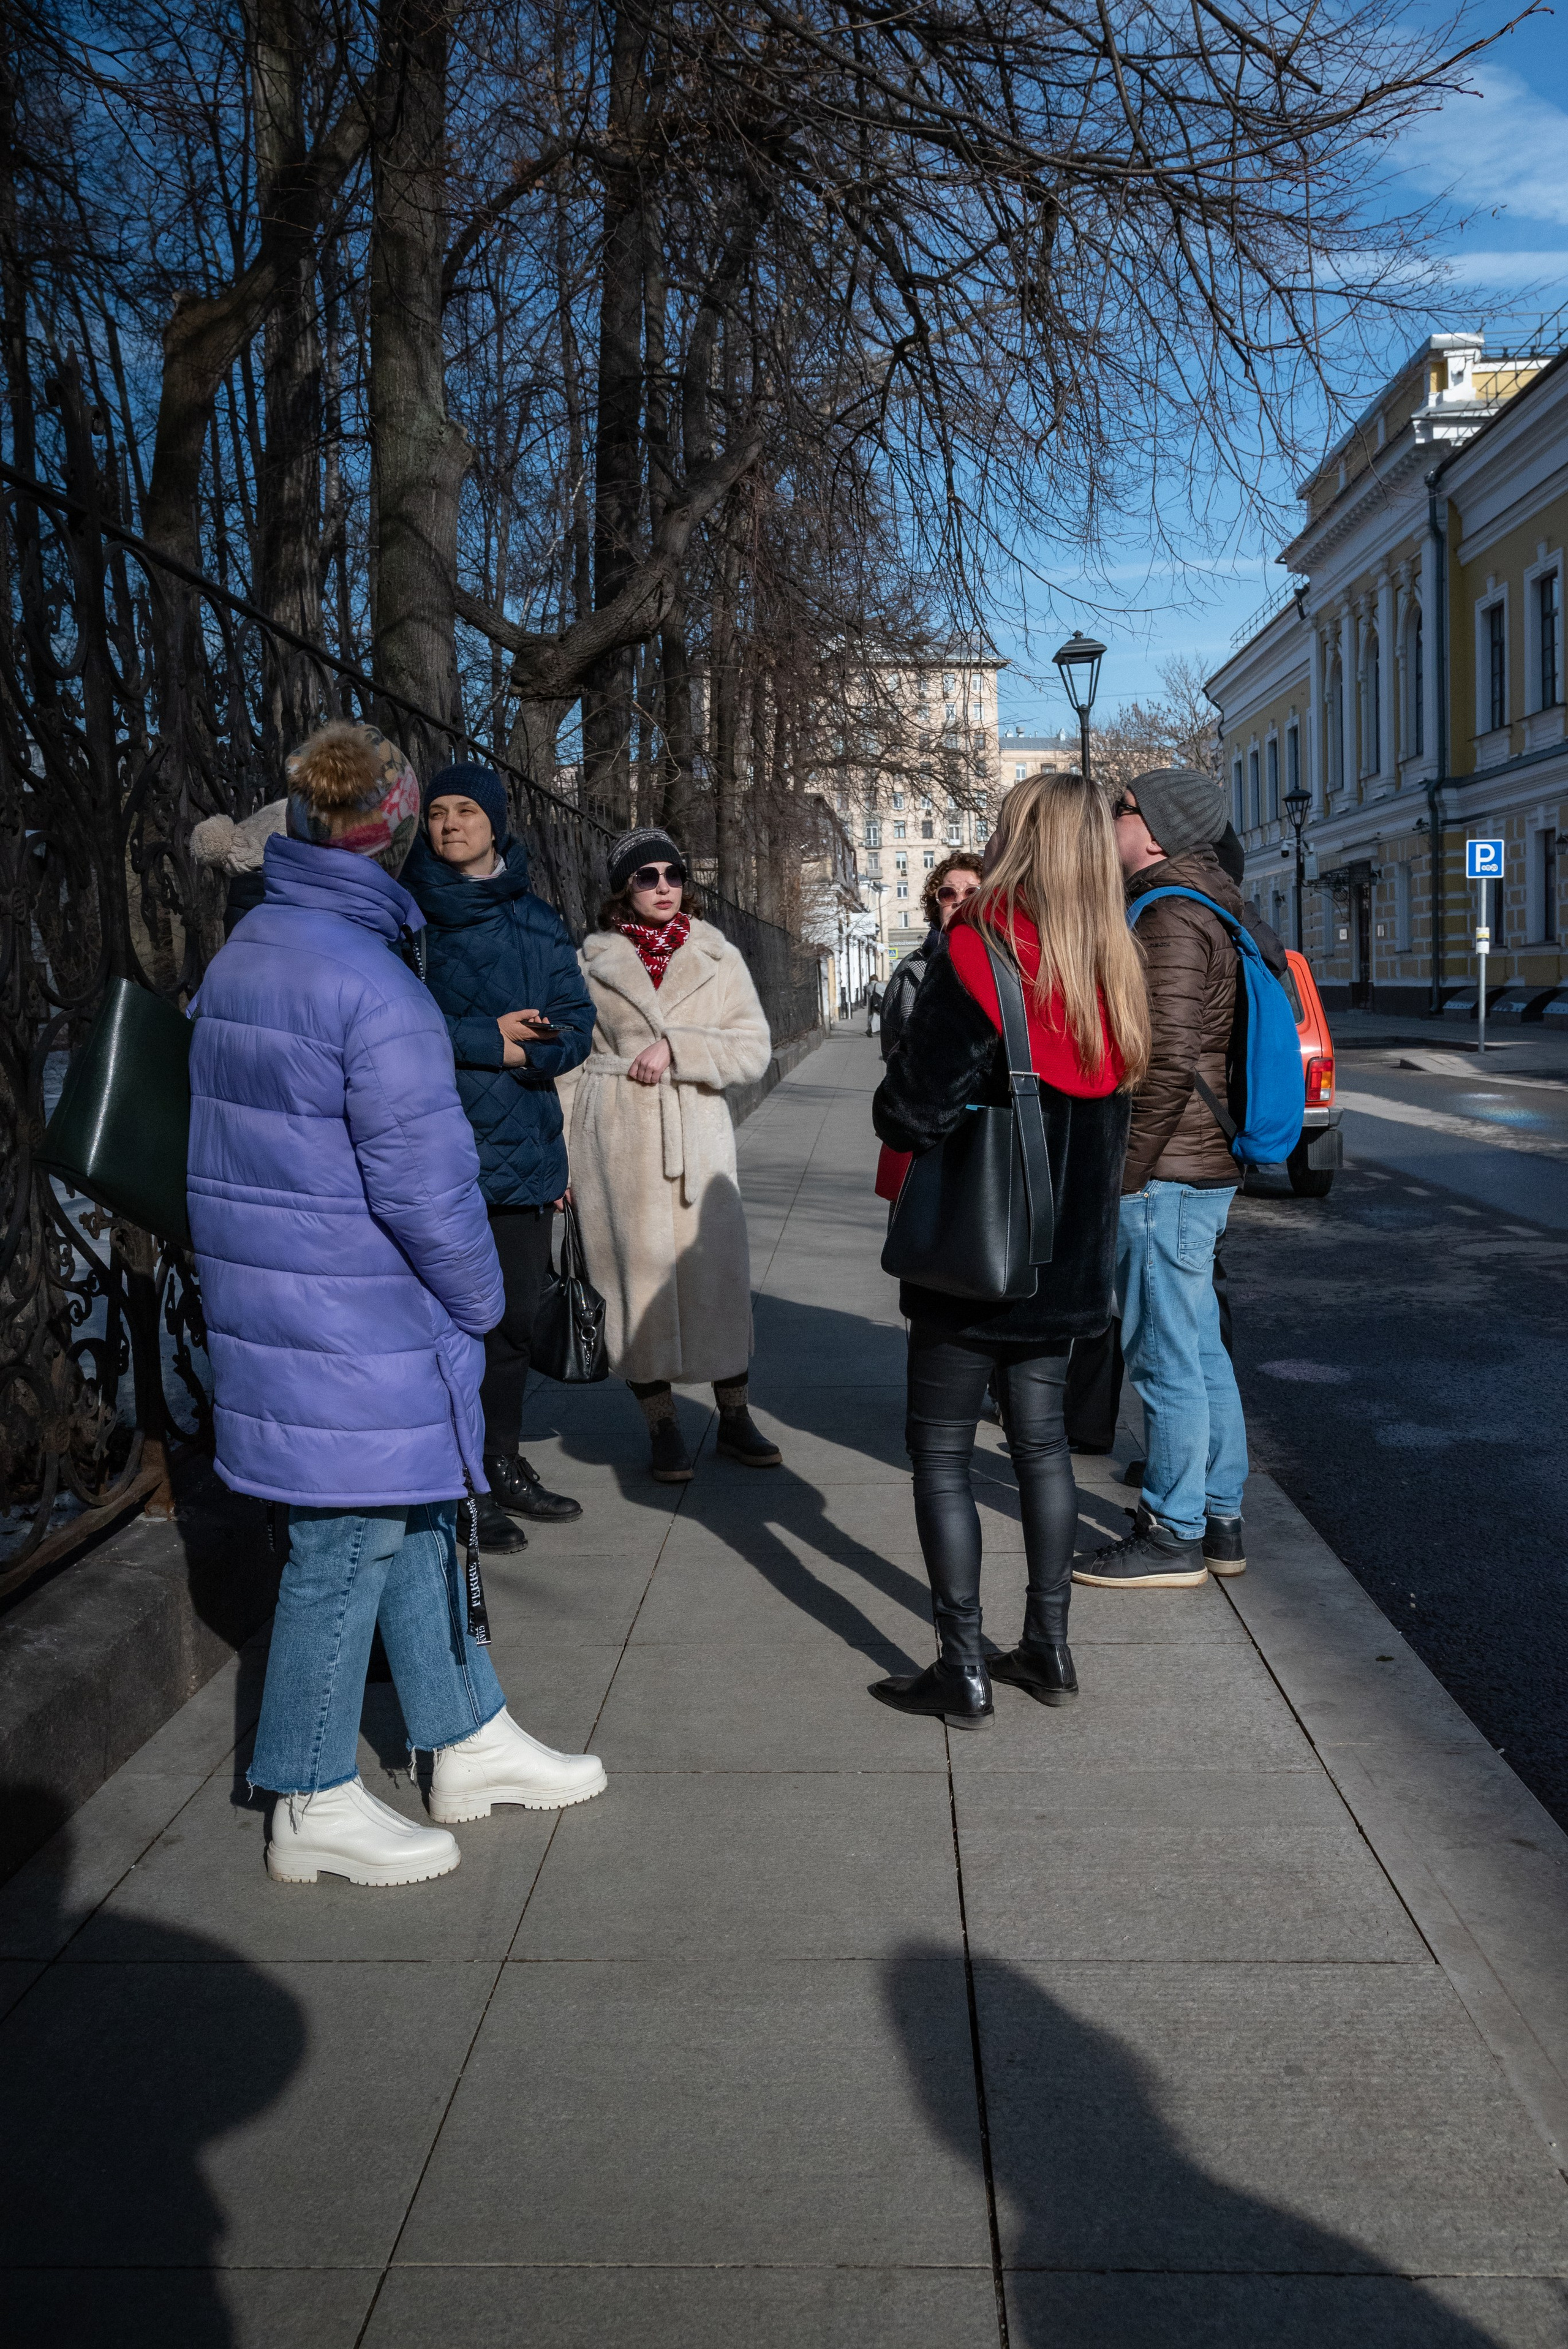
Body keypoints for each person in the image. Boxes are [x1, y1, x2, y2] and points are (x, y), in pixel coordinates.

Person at [187, 720, 606, 1890]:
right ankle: (310, 1793)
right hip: (354, 1309)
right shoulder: (371, 981)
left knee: (420, 1514)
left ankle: (465, 1737)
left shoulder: (257, 947)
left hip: (291, 1295)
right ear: (395, 826)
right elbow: (427, 1188)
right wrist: (481, 1304)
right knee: (346, 1543)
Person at [870, 772, 1149, 1728]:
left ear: (1018, 838)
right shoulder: (1115, 962)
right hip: (1068, 1258)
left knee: (942, 1451)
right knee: (1043, 1448)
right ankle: (1050, 1645)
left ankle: (962, 1664)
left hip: (975, 1251)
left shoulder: (982, 949)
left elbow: (911, 1108)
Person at [402, 763, 595, 1553]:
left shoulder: (537, 919)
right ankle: (457, 1487)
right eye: (439, 812)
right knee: (445, 1328)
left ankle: (501, 1461)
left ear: (496, 823)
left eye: (466, 812)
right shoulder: (402, 916)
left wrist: (534, 1054)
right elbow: (387, 1025)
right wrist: (493, 1039)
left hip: (519, 1145)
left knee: (513, 1321)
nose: (451, 824)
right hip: (429, 1147)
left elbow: (576, 1023)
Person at [1076, 767, 1250, 1593]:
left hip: (1167, 1171)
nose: (1110, 820)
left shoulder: (1170, 915)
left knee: (1166, 1355)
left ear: (1155, 827)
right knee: (1200, 1345)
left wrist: (1126, 1173)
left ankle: (1173, 1530)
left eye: (1120, 808)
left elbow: (1167, 1061)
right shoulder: (1202, 902)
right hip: (1193, 1166)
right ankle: (1218, 1517)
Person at [559, 826, 778, 1484]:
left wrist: (679, 1048)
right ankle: (660, 1426)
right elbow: (568, 1063)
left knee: (717, 1280)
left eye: (673, 875)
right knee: (632, 1284)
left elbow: (753, 1049)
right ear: (624, 887)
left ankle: (734, 1416)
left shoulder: (719, 955)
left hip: (696, 1142)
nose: (663, 887)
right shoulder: (592, 960)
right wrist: (562, 1158)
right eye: (647, 876)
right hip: (614, 1141)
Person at [875, 851, 986, 1208]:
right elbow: (901, 1057)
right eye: (948, 894)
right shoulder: (915, 971)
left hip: (989, 1139)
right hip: (929, 1139)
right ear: (935, 904)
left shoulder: (1009, 964)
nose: (958, 901)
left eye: (972, 892)